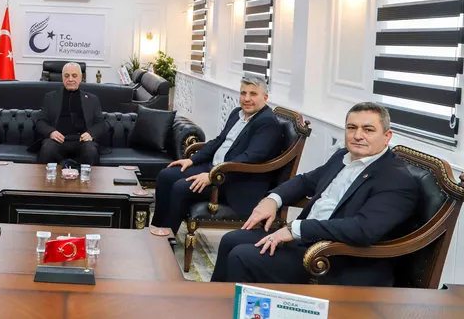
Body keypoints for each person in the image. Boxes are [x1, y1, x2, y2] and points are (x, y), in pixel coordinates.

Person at [211, 102, 419, 286]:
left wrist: (296, 229)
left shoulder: (396, 179)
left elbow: (363, 229)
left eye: (368, 129)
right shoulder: (343, 156)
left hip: (336, 258)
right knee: (231, 239)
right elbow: (305, 181)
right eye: (351, 128)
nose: (357, 135)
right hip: (308, 241)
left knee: (242, 256)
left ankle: (235, 308)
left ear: (386, 136)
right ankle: (214, 303)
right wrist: (272, 199)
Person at [151, 75, 282, 235]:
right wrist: (192, 160)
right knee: (166, 175)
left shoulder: (268, 123)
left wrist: (212, 176)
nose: (246, 99)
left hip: (234, 181)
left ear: (265, 97)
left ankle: (166, 238)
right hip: (214, 168)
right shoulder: (237, 113)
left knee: (180, 187)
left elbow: (250, 158)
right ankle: (156, 230)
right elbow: (219, 141)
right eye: (243, 93)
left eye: (253, 94)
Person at [34, 62, 105, 166]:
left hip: (82, 141)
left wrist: (91, 134)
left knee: (90, 150)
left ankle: (89, 177)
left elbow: (101, 123)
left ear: (80, 78)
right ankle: (45, 177)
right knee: (48, 148)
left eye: (74, 76)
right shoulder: (50, 97)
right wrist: (51, 132)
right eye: (66, 76)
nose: (70, 79)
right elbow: (41, 122)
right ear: (62, 78)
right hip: (58, 141)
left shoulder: (92, 99)